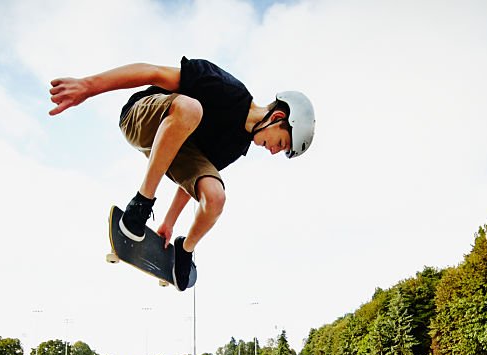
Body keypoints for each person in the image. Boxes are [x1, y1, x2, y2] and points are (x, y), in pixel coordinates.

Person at [48, 58, 315, 290]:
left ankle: (185, 249)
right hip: (143, 117)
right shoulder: (226, 89)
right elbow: (152, 72)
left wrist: (169, 222)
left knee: (214, 196)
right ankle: (142, 202)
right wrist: (88, 86)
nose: (272, 152)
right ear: (278, 116)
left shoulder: (236, 146)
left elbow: (191, 180)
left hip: (177, 146)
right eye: (280, 144)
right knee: (190, 109)